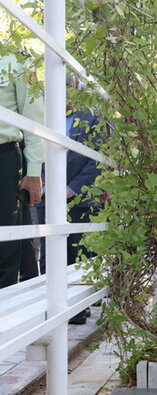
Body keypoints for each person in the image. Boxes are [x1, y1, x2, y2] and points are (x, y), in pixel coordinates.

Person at [37, 73, 103, 324]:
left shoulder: (92, 117)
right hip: (47, 196)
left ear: (76, 89)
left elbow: (96, 160)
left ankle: (78, 307)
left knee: (78, 253)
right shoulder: (41, 115)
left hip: (81, 199)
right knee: (50, 254)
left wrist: (72, 189)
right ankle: (55, 307)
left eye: (68, 89)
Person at [0, 53, 44, 289]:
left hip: (3, 157)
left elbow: (34, 117)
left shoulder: (17, 58)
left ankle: (2, 315)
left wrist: (34, 171)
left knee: (5, 243)